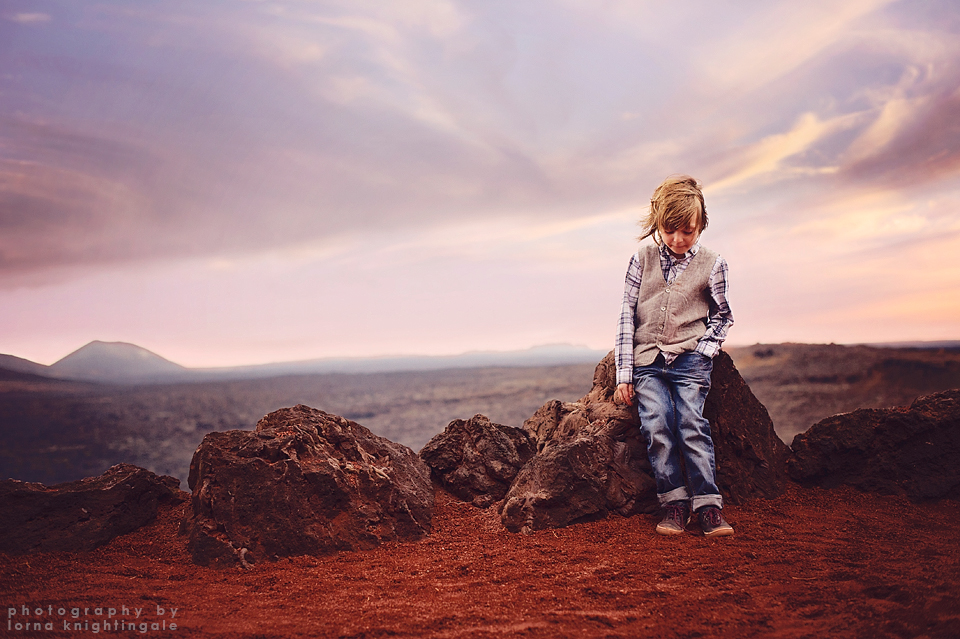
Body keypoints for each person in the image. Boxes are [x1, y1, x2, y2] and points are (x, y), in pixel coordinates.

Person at [614, 174, 735, 537]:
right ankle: (674, 504)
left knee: (691, 425)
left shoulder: (713, 264)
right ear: (658, 224)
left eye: (688, 231)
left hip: (689, 361)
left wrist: (703, 350)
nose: (678, 240)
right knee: (657, 424)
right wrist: (624, 372)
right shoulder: (642, 259)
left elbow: (723, 316)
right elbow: (626, 313)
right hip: (648, 361)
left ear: (701, 226)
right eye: (670, 231)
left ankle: (709, 506)